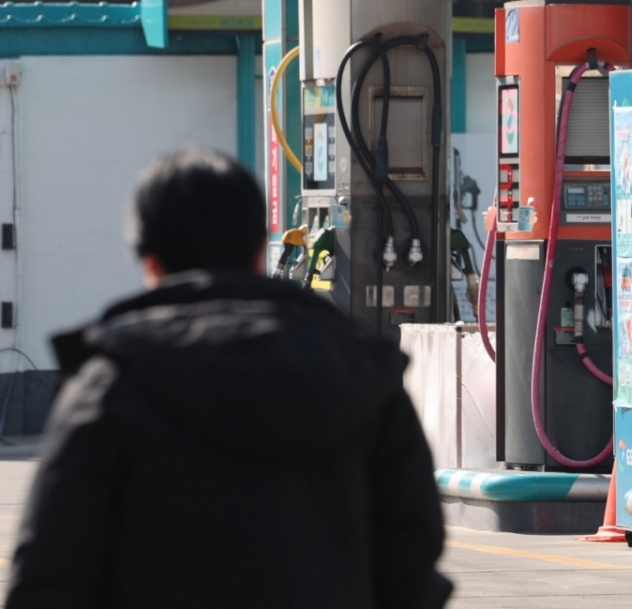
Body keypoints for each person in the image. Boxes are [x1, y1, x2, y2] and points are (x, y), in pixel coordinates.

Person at [6, 148, 451, 608]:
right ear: (259, 253)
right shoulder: (362, 379)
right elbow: (411, 567)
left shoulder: (107, 389)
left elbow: (48, 579)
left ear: (149, 262)